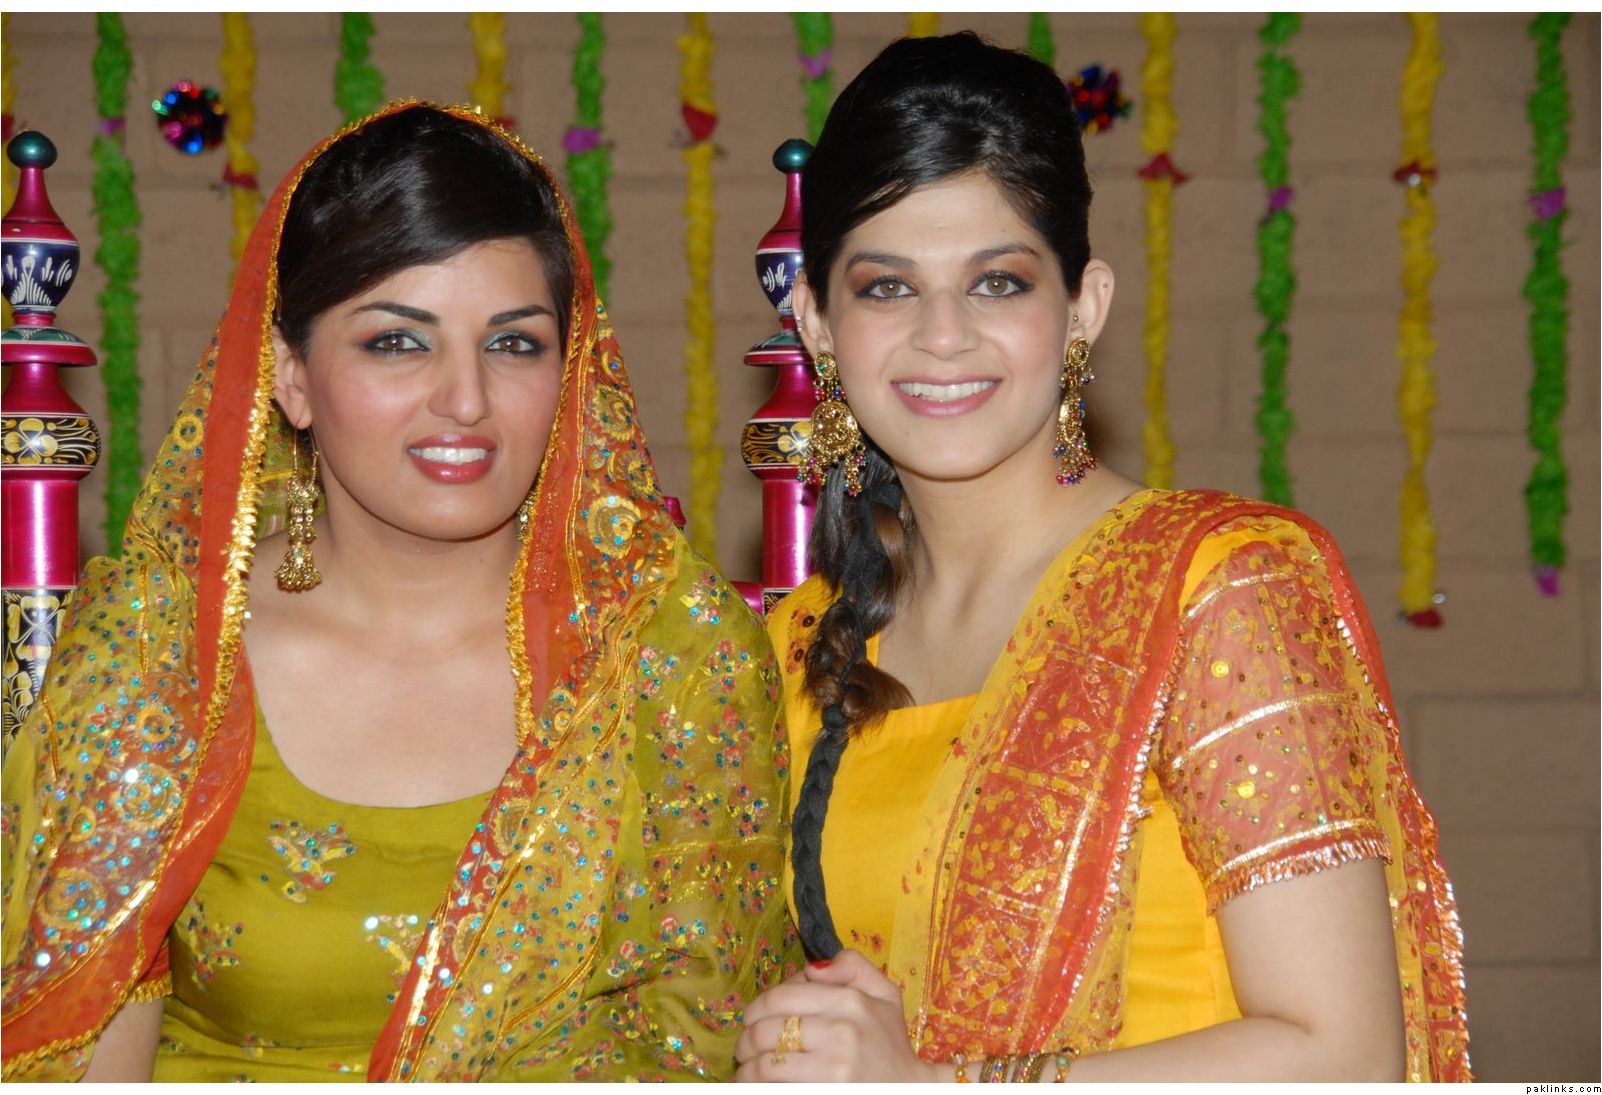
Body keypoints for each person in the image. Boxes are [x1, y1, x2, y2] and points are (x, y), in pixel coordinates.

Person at [2, 103, 796, 1082]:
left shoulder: (669, 650)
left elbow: (719, 1037)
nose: (465, 399)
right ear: (291, 376)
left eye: (514, 344)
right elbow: (78, 1038)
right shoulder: (164, 650)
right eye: (396, 342)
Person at [735, 33, 1468, 1083]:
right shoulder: (800, 643)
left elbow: (1343, 1056)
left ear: (1083, 307)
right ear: (816, 323)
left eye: (998, 283)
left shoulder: (1219, 589)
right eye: (887, 288)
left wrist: (936, 1086)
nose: (943, 335)